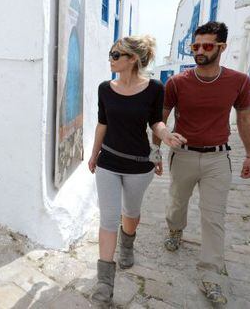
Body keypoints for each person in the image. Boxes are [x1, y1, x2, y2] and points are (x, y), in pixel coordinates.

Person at [153, 21, 250, 304]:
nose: (199, 51)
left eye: (207, 46)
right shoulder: (176, 82)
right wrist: (155, 150)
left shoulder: (240, 81)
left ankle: (211, 276)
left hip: (219, 159)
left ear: (222, 48)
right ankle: (175, 229)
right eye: (195, 46)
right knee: (176, 204)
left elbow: (244, 118)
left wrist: (248, 153)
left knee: (213, 218)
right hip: (182, 155)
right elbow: (161, 117)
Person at [88, 35, 186, 307]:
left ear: (132, 59)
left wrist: (165, 136)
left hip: (138, 165)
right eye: (111, 53)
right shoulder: (104, 88)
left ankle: (127, 245)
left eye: (116, 54)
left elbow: (156, 121)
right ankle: (104, 287)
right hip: (108, 162)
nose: (111, 58)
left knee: (130, 214)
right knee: (108, 220)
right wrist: (94, 153)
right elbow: (102, 124)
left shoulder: (155, 88)